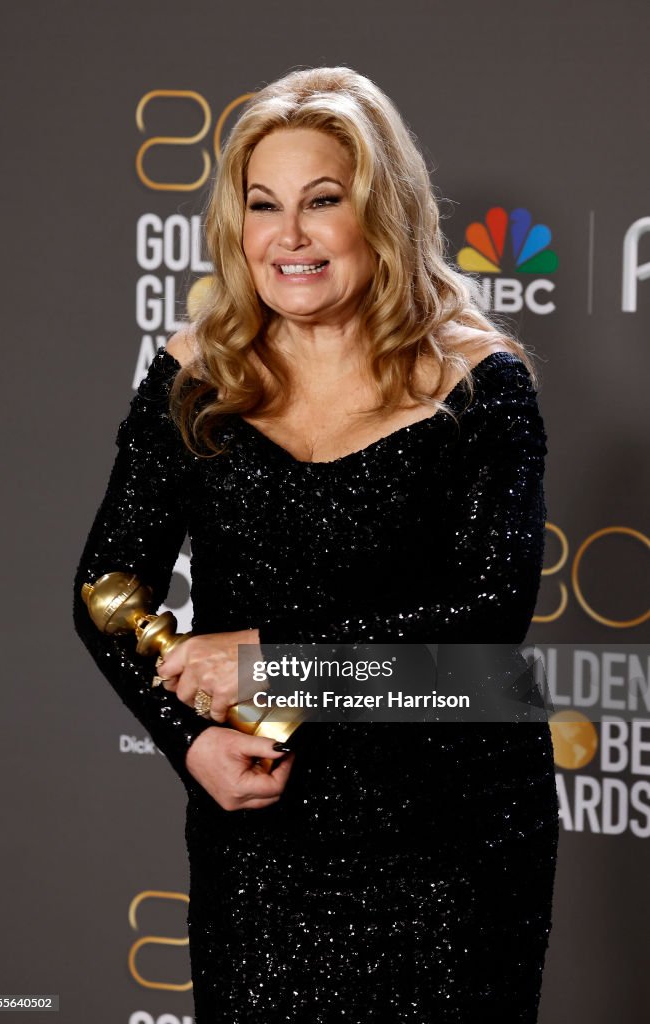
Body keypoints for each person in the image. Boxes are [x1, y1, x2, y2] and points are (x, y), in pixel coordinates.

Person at [73, 66, 559, 1023]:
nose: (287, 236)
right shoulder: (195, 369)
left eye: (321, 201)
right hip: (265, 833)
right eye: (263, 205)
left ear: (380, 215)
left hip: (450, 836)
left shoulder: (478, 381)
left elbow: (487, 634)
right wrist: (187, 742)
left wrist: (274, 661)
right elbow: (105, 583)